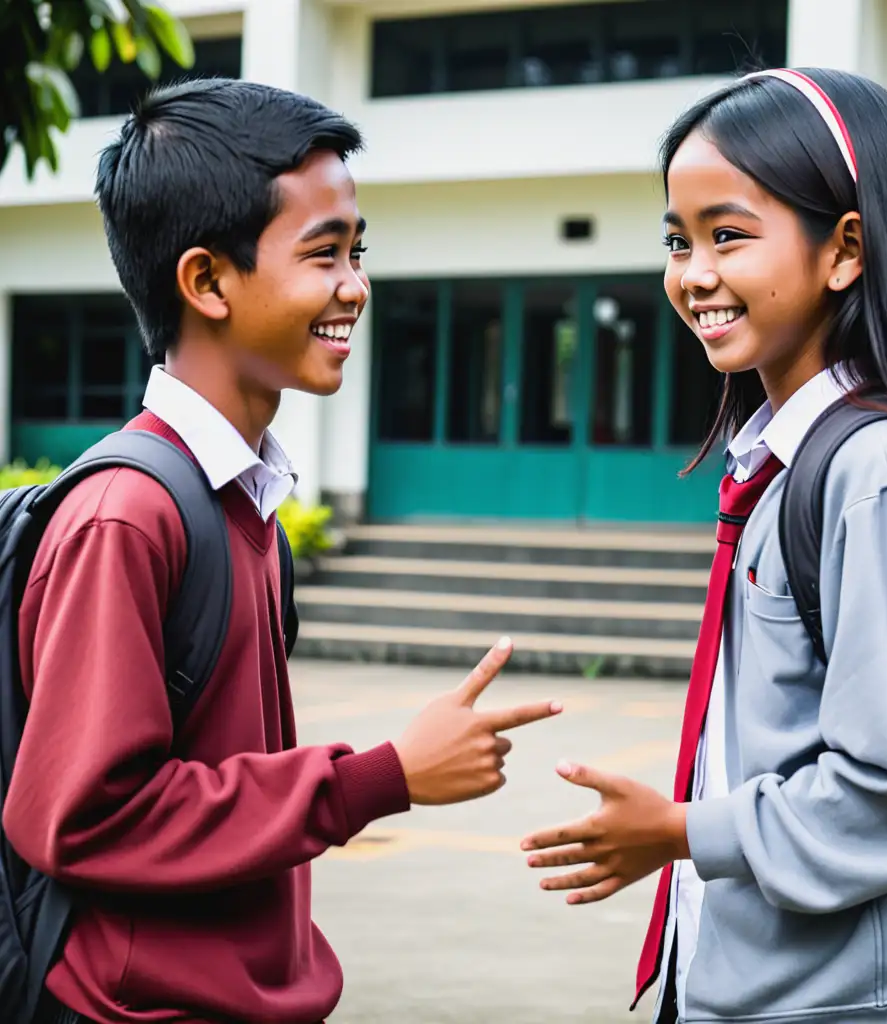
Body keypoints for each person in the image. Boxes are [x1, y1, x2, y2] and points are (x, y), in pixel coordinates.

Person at [2, 77, 562, 1024]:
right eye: (324, 254)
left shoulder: (246, 500)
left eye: (358, 250)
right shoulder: (129, 516)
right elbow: (83, 812)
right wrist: (380, 777)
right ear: (207, 281)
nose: (356, 286)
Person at [521, 67, 887, 1023]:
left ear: (846, 251)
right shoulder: (789, 463)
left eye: (728, 235)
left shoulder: (875, 473)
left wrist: (681, 830)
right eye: (677, 239)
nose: (692, 274)